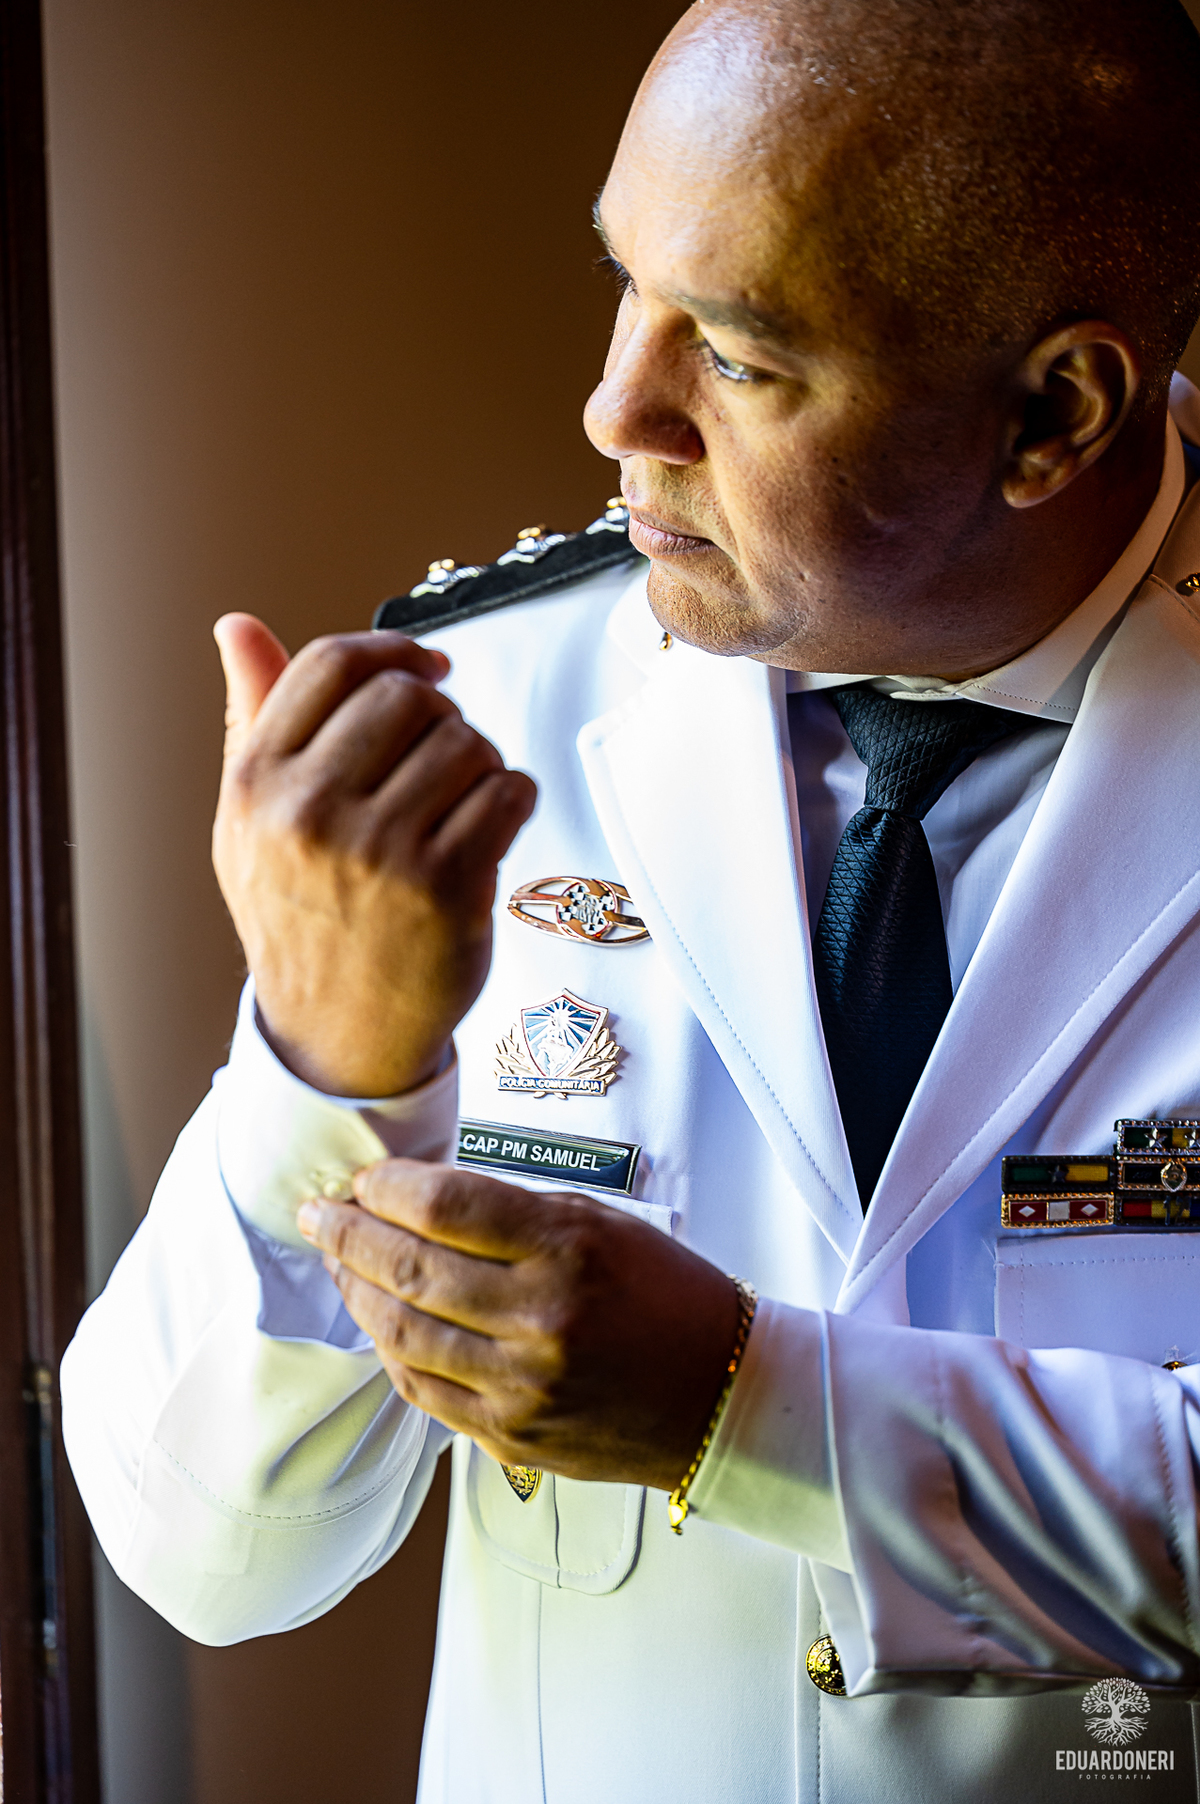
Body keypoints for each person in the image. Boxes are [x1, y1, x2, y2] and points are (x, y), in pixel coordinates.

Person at [61, 0, 1200, 1796]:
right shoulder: (483, 710)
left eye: (740, 357)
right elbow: (207, 1551)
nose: (610, 407)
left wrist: (750, 1409)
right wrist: (322, 1065)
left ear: (1057, 411)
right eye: (627, 284)